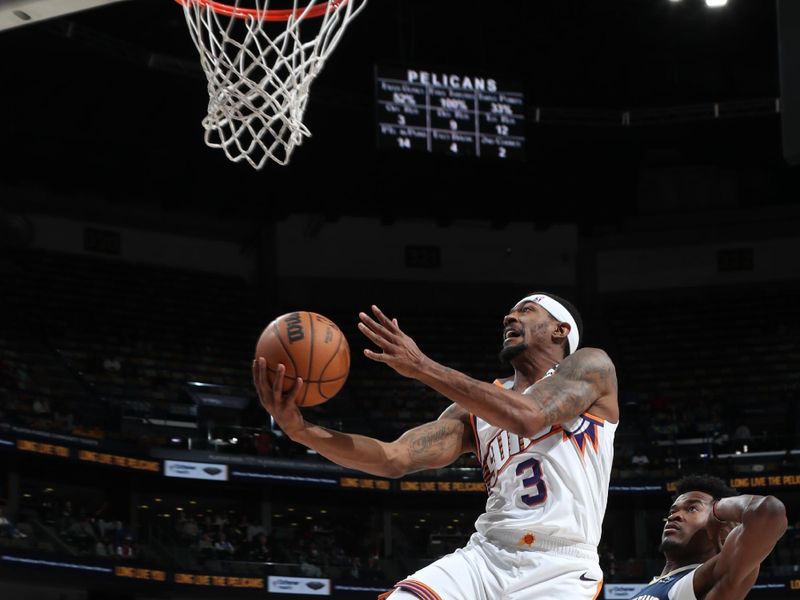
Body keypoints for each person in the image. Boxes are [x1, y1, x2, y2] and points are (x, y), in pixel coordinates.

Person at [253, 293, 619, 599]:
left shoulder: (591, 366)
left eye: (526, 310)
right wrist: (301, 431)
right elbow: (392, 458)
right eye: (512, 310)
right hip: (486, 556)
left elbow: (530, 417)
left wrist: (422, 366)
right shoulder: (474, 409)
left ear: (561, 329)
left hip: (559, 565)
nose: (510, 315)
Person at [632, 474, 787, 600]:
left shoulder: (711, 578)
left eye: (692, 509)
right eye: (672, 511)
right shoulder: (656, 586)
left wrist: (718, 509)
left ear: (723, 529)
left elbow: (769, 511)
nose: (675, 516)